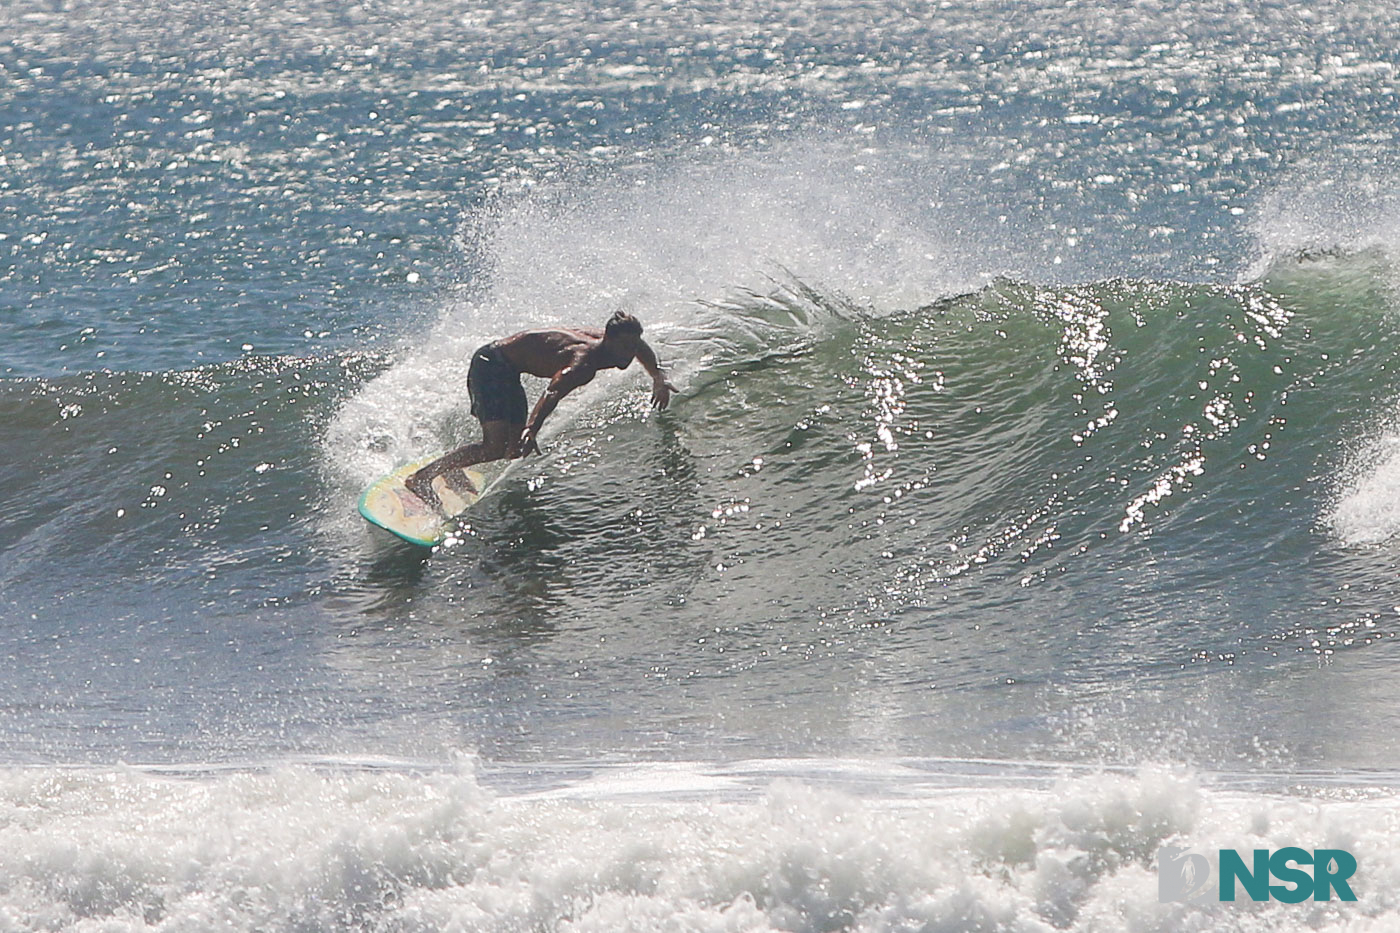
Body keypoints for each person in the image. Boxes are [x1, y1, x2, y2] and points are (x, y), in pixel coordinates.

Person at [405, 311, 676, 510]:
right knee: (495, 447)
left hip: (508, 370)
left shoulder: (614, 343)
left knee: (512, 450)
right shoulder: (583, 364)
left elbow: (641, 347)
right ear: (609, 340)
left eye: (633, 346)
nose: (630, 353)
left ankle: (452, 468)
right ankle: (421, 478)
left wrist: (658, 377)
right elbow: (553, 392)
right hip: (490, 365)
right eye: (625, 347)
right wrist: (532, 429)